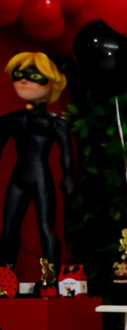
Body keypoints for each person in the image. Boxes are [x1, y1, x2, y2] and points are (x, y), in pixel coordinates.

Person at [0, 52, 73, 271]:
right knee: (9, 228)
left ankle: (52, 275)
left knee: (45, 227)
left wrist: (68, 178)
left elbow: (66, 153)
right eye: (19, 75)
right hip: (19, 176)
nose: (24, 81)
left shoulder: (56, 123)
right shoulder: (12, 119)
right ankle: (5, 273)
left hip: (40, 176)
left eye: (33, 76)